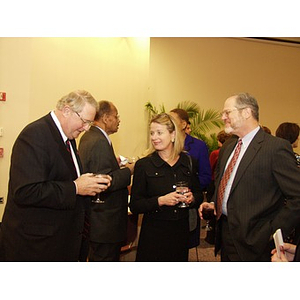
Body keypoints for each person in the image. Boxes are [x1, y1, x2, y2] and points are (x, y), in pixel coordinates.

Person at [0, 90, 111, 261]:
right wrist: (76, 187)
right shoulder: (34, 135)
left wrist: (88, 183)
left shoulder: (68, 137)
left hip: (61, 243)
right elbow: (26, 191)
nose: (86, 128)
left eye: (90, 123)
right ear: (67, 111)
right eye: (84, 121)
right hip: (35, 247)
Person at [199, 92, 300, 261]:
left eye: (227, 112)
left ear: (246, 112)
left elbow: (297, 196)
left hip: (256, 243)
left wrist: (272, 231)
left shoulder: (275, 148)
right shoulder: (228, 147)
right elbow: (225, 183)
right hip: (225, 236)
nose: (222, 117)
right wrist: (213, 203)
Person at [129, 113, 203, 261]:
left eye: (159, 133)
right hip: (154, 235)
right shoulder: (144, 165)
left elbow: (199, 194)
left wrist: (192, 198)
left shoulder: (189, 162)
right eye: (152, 133)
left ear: (173, 134)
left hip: (180, 234)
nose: (154, 137)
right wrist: (161, 200)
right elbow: (135, 205)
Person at [79, 100, 134, 261]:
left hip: (99, 221)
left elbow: (99, 169)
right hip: (104, 222)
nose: (119, 121)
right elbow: (103, 182)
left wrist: (114, 165)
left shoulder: (91, 136)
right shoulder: (98, 141)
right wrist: (129, 170)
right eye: (116, 116)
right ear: (105, 118)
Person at [170, 108, 211, 249]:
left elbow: (206, 176)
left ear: (183, 124)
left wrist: (189, 188)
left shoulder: (198, 146)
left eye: (172, 120)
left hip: (188, 204)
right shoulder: (165, 144)